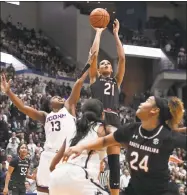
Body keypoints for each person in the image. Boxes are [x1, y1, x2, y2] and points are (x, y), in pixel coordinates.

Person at [1, 50, 96, 195]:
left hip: (65, 154)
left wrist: (89, 63)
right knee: (43, 191)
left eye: (60, 97)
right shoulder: (46, 116)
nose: (59, 97)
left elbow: (78, 83)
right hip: (47, 155)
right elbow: (23, 108)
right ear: (50, 104)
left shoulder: (69, 108)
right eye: (55, 97)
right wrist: (9, 92)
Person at [63, 96, 186, 195]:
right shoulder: (131, 129)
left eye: (147, 101)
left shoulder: (168, 137)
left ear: (155, 110)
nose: (141, 103)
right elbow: (105, 141)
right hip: (133, 190)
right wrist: (81, 146)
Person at [89, 19, 126, 195]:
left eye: (108, 64)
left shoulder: (116, 81)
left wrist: (116, 35)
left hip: (113, 118)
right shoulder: (94, 79)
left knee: (115, 163)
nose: (105, 64)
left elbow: (122, 58)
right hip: (97, 118)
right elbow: (93, 56)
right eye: (103, 64)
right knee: (90, 156)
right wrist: (98, 32)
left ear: (111, 70)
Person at [49, 99, 114, 195]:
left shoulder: (72, 129)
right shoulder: (102, 128)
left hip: (56, 178)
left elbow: (52, 166)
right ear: (102, 114)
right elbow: (120, 135)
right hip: (80, 177)